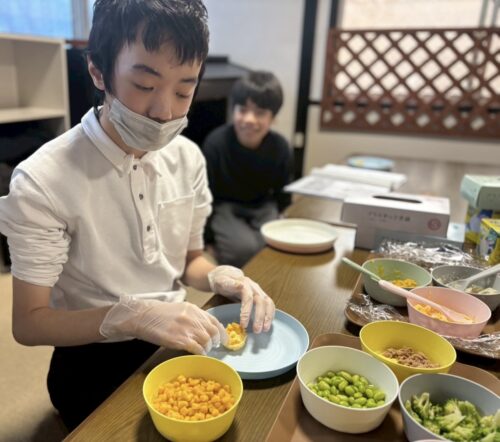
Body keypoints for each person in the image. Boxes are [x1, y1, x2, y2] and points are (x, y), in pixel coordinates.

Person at [0, 0, 275, 431]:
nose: (165, 111)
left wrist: (221, 276)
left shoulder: (187, 158)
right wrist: (131, 316)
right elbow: (29, 323)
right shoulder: (43, 180)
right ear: (98, 71)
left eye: (184, 91)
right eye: (145, 85)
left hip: (176, 342)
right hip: (90, 357)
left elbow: (189, 261)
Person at [203, 71, 292, 267]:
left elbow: (283, 193)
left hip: (263, 206)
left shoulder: (280, 147)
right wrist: (207, 240)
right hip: (225, 206)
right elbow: (204, 196)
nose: (249, 119)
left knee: (272, 245)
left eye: (260, 113)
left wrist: (283, 218)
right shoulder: (215, 144)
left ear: (273, 117)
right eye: (242, 110)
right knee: (244, 250)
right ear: (233, 110)